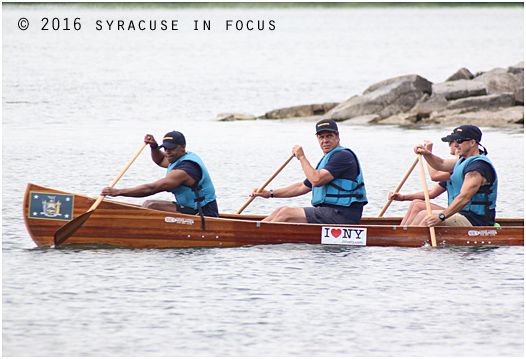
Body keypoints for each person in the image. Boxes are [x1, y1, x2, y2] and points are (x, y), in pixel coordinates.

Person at [250, 119, 368, 224]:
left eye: (329, 136)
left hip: (343, 215)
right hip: (328, 212)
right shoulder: (328, 159)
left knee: (285, 213)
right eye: (321, 137)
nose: (325, 140)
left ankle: (256, 237)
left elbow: (316, 180)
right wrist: (270, 193)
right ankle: (254, 231)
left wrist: (302, 157)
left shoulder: (343, 156)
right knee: (279, 211)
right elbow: (302, 186)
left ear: (337, 137)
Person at [101, 131, 219, 218]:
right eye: (165, 148)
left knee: (152, 207)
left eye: (171, 149)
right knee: (148, 203)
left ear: (182, 147)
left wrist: (119, 192)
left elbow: (152, 188)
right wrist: (154, 146)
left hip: (204, 214)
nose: (167, 152)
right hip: (190, 208)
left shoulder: (184, 170)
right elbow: (160, 160)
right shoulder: (178, 157)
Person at [410, 125, 497, 227]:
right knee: (422, 214)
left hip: (475, 220)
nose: (455, 145)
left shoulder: (477, 169)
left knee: (425, 215)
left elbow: (464, 198)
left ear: (472, 143)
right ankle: (404, 239)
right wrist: (427, 154)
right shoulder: (462, 162)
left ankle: (407, 241)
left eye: (459, 141)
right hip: (461, 215)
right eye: (454, 141)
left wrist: (441, 216)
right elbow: (440, 164)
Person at [388, 139, 459, 225]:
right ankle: (400, 233)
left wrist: (427, 153)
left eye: (451, 142)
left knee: (419, 206)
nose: (450, 145)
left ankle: (403, 235)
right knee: (416, 203)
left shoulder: (465, 166)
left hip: (463, 214)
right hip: (454, 212)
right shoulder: (456, 167)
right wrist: (403, 197)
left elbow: (435, 176)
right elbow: (432, 193)